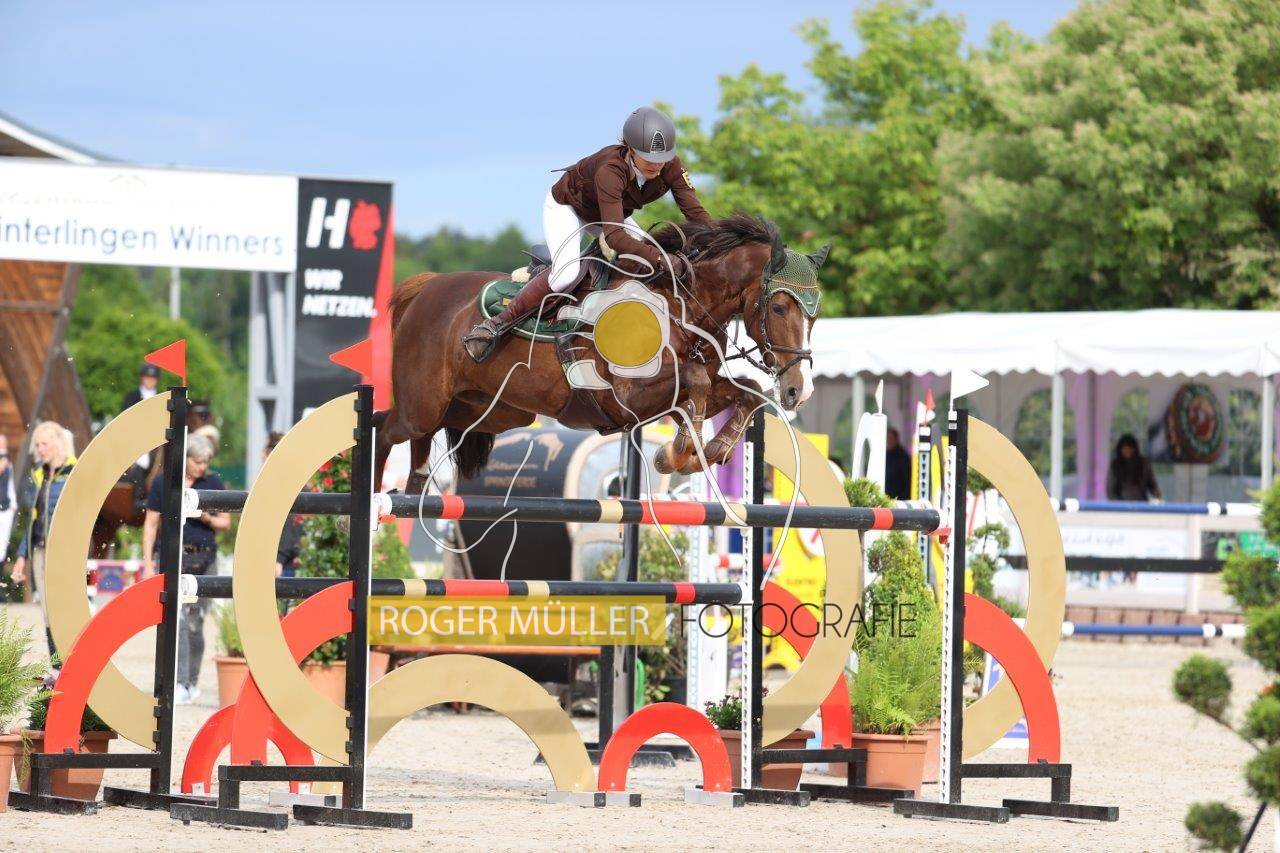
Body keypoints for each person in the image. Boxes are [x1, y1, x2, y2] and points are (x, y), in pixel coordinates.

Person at [462, 106, 712, 362]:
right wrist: (661, 258)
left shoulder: (670, 166)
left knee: (645, 261)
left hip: (609, 213)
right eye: (648, 159)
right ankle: (496, 324)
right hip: (568, 208)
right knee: (566, 274)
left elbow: (695, 213)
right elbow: (615, 237)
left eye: (662, 158)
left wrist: (720, 240)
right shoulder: (610, 170)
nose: (657, 165)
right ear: (630, 149)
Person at [142, 433, 228, 705]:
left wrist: (205, 516)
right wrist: (147, 564)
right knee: (176, 620)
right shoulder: (163, 482)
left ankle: (191, 681)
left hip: (204, 558)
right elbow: (151, 525)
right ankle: (178, 682)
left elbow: (225, 523)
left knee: (195, 622)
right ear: (186, 458)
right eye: (197, 461)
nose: (202, 467)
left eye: (206, 462)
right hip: (172, 557)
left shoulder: (213, 483)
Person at [9, 422, 76, 655]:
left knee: (64, 606)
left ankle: (72, 658)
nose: (40, 449)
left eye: (44, 443)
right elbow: (33, 520)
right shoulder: (38, 474)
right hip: (39, 550)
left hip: (64, 551)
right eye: (37, 445)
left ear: (58, 442)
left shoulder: (74, 471)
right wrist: (21, 556)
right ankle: (56, 664)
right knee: (47, 609)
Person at [1106, 434, 1162, 501]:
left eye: (1130, 449)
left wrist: (1155, 492)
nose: (1127, 451)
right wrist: (1119, 504)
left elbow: (1152, 484)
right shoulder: (1115, 465)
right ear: (1120, 450)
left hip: (1141, 503)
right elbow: (1110, 491)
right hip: (1121, 504)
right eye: (1125, 449)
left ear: (1135, 449)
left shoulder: (1144, 464)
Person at [883, 427, 911, 500]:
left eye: (890, 438)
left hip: (899, 498)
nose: (889, 441)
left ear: (896, 440)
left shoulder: (903, 457)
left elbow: (907, 480)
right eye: (887, 439)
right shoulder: (884, 455)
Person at [0, 434, 14, 562]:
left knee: (2, 544)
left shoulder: (7, 461)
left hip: (5, 506)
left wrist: (13, 503)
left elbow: (10, 484)